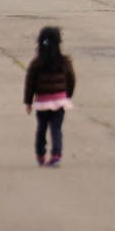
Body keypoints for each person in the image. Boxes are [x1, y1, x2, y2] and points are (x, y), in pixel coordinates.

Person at [23, 27, 77, 168]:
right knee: (56, 129)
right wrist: (68, 95)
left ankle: (41, 154)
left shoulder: (36, 63)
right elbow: (71, 79)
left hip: (42, 102)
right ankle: (56, 154)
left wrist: (28, 101)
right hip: (60, 101)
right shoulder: (64, 61)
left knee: (41, 128)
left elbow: (30, 82)